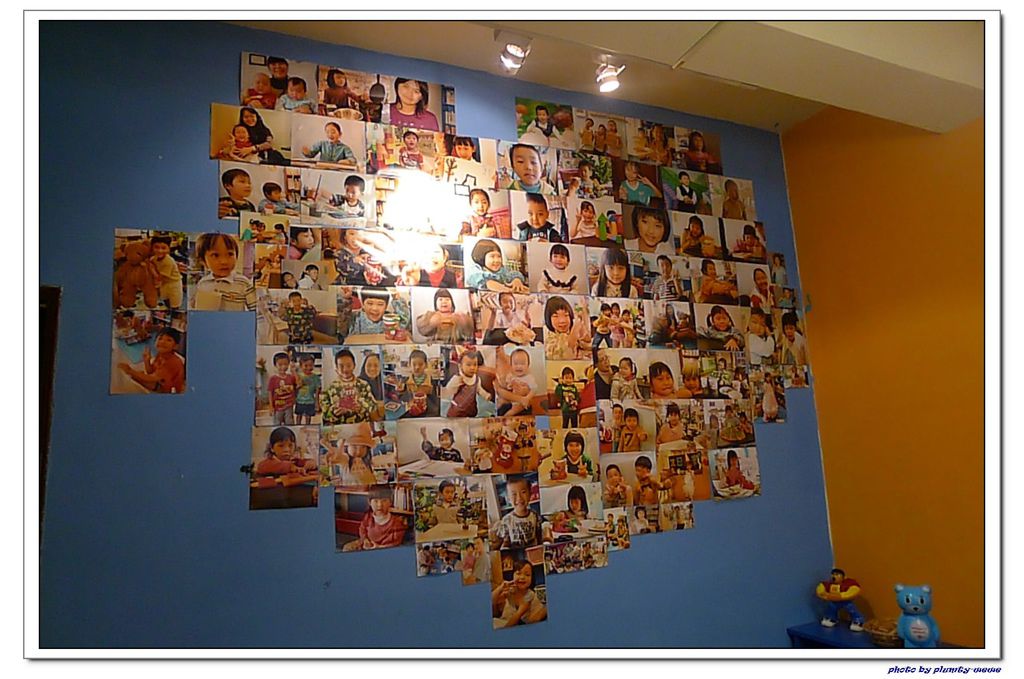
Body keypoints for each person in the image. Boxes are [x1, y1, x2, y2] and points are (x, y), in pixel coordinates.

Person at [192, 233, 255, 311]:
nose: (224, 261)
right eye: (215, 255)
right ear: (203, 261)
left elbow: (255, 309)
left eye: (230, 254)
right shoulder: (203, 283)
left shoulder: (244, 283)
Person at [117, 327, 185, 394]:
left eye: (169, 340)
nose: (162, 342)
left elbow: (151, 378)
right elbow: (150, 372)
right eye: (160, 338)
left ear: (175, 346)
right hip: (160, 380)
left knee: (134, 377)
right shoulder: (160, 354)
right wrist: (147, 361)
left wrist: (130, 371)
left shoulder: (173, 362)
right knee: (136, 375)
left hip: (169, 389)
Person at [320, 349, 377, 424]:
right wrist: (334, 412)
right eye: (341, 366)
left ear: (354, 365)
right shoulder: (330, 388)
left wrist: (361, 405)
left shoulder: (363, 385)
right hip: (339, 427)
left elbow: (373, 406)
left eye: (349, 365)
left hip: (360, 425)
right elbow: (325, 414)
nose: (345, 369)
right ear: (336, 368)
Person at [344, 485, 407, 551]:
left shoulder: (396, 523)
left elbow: (395, 543)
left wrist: (378, 547)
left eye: (384, 500)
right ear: (370, 502)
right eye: (376, 501)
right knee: (347, 548)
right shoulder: (368, 517)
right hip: (367, 544)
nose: (380, 505)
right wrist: (365, 540)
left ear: (390, 502)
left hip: (383, 549)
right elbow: (362, 529)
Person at [491, 559, 547, 628]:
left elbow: (516, 618)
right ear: (513, 575)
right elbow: (491, 601)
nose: (522, 577)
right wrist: (500, 587)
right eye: (518, 573)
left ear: (532, 578)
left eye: (527, 575)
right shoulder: (511, 590)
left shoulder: (529, 595)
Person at [491, 476, 543, 549]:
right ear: (508, 498)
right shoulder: (507, 520)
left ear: (530, 494)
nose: (519, 498)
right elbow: (506, 541)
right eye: (514, 494)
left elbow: (539, 536)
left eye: (523, 492)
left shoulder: (535, 515)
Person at [442, 349, 490, 418]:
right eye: (468, 365)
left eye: (475, 364)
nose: (472, 368)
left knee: (471, 416)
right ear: (460, 366)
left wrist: (485, 395)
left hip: (471, 407)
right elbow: (448, 390)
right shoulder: (458, 378)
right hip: (458, 408)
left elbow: (479, 389)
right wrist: (455, 384)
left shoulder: (476, 379)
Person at [543, 295, 588, 360]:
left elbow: (587, 342)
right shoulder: (549, 337)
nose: (562, 320)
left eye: (566, 315)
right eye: (555, 316)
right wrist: (575, 329)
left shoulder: (571, 331)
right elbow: (564, 354)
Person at [495, 348, 537, 417]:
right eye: (516, 364)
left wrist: (527, 397)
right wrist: (510, 385)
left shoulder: (529, 377)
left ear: (528, 365)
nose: (519, 366)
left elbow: (534, 389)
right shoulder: (511, 376)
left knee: (516, 410)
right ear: (511, 365)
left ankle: (507, 416)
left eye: (522, 364)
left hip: (522, 403)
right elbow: (506, 387)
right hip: (511, 401)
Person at [148, 235, 183, 309]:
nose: (160, 251)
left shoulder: (168, 261)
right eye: (156, 247)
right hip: (164, 284)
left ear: (168, 249)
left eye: (163, 248)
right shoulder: (153, 258)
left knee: (174, 304)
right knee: (166, 300)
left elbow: (159, 278)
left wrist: (152, 269)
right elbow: (150, 263)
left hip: (173, 284)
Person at [265, 352, 298, 425]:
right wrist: (271, 406)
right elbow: (270, 392)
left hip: (289, 405)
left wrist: (294, 371)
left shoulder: (291, 377)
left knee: (289, 423)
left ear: (288, 364)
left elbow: (299, 384)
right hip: (278, 407)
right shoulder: (273, 379)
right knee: (277, 423)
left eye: (285, 364)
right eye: (280, 364)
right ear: (275, 365)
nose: (283, 367)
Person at [293, 353, 320, 425]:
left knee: (308, 417)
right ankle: (298, 427)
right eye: (306, 365)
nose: (308, 368)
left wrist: (317, 403)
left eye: (311, 365)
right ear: (301, 366)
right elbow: (295, 388)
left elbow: (317, 391)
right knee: (299, 416)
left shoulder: (316, 378)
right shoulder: (299, 376)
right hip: (300, 401)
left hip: (310, 401)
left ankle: (308, 427)